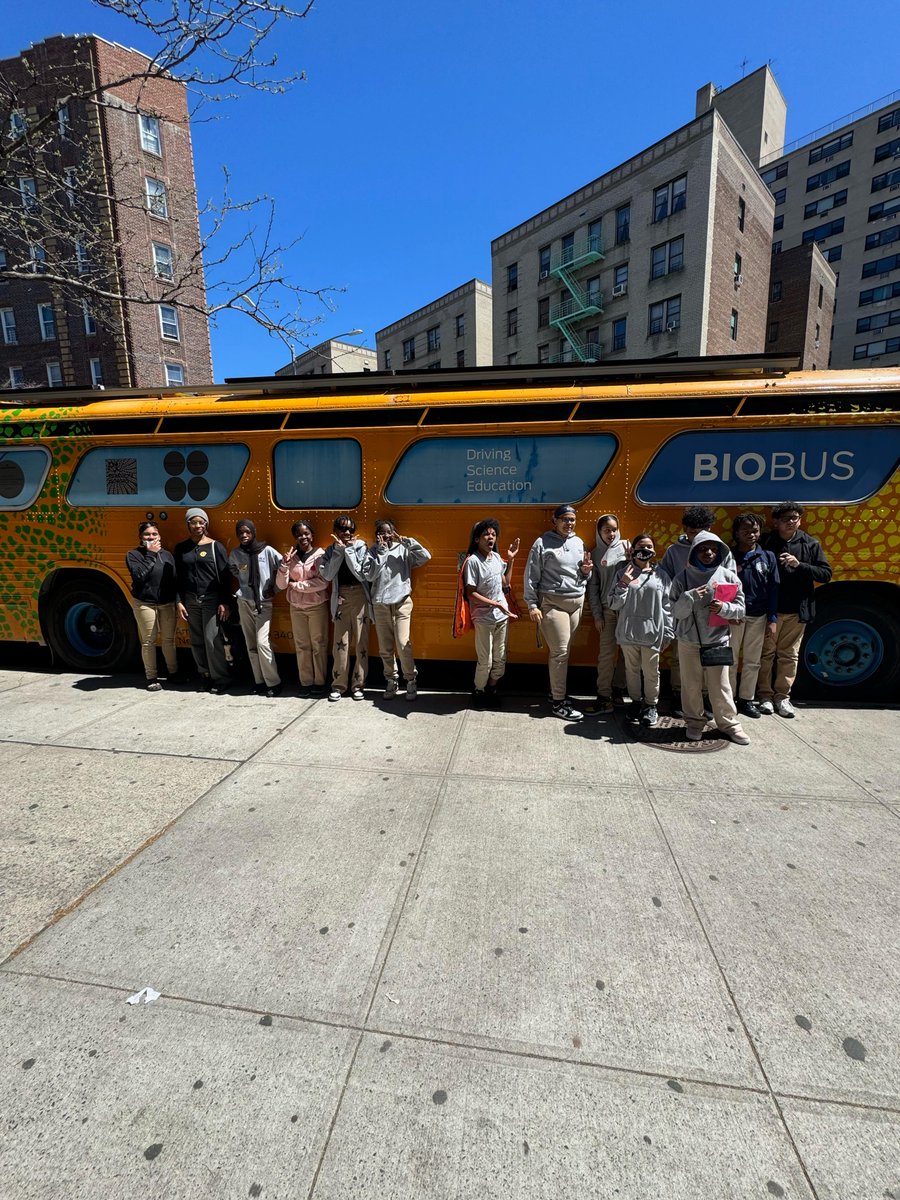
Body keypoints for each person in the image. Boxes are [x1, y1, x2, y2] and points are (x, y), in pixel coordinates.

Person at [669, 531, 750, 745]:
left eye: (713, 549)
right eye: (703, 549)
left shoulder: (728, 576)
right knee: (691, 685)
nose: (709, 553)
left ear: (719, 551)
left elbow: (741, 610)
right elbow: (675, 611)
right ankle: (694, 722)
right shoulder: (682, 578)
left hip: (717, 640)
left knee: (721, 686)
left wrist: (724, 608)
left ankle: (729, 725)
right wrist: (689, 597)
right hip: (689, 641)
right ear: (695, 551)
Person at [757, 502, 832, 718]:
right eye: (787, 518)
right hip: (771, 611)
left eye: (795, 517)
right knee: (766, 654)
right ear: (776, 522)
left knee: (789, 655)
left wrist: (799, 565)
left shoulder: (810, 544)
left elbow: (825, 574)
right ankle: (764, 696)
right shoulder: (767, 542)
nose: (792, 521)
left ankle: (782, 697)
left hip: (797, 611)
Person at [659, 506, 735, 713]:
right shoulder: (674, 551)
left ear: (709, 528)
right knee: (680, 658)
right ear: (685, 529)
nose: (697, 537)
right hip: (685, 612)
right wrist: (677, 600)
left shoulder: (720, 550)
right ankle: (678, 694)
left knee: (711, 660)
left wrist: (723, 610)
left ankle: (706, 697)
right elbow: (664, 578)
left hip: (712, 613)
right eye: (692, 532)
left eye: (701, 531)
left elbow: (730, 581)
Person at [523, 503, 593, 721]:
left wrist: (585, 573)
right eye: (564, 519)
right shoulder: (542, 543)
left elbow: (582, 576)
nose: (569, 523)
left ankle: (556, 693)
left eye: (572, 520)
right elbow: (531, 575)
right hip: (553, 603)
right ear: (555, 520)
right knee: (560, 652)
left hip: (576, 602)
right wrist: (532, 605)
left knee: (564, 652)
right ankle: (559, 702)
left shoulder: (578, 542)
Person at [362, 519, 431, 701]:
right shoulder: (373, 552)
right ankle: (391, 680)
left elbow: (425, 557)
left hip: (401, 602)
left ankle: (411, 679)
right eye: (381, 533)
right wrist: (382, 553)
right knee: (385, 648)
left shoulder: (403, 549)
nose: (385, 536)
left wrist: (408, 541)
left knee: (403, 643)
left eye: (388, 532)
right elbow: (369, 575)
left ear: (394, 532)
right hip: (381, 604)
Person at [608, 534, 672, 727]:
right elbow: (613, 603)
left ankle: (651, 705)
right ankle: (636, 702)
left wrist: (668, 632)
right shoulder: (622, 573)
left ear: (654, 551)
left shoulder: (661, 575)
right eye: (640, 547)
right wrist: (624, 583)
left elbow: (667, 606)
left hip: (652, 634)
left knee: (652, 672)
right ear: (633, 550)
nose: (644, 551)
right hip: (628, 633)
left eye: (649, 547)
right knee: (632, 671)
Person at [462, 518, 520, 706]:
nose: (491, 537)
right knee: (485, 660)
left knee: (500, 658)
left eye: (493, 534)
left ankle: (491, 690)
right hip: (483, 618)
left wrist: (510, 560)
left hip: (501, 616)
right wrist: (495, 604)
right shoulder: (472, 562)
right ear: (477, 539)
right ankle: (478, 691)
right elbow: (471, 594)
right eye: (486, 534)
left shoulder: (495, 557)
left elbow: (505, 584)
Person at [174, 507, 232, 694]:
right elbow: (177, 577)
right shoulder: (181, 548)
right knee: (196, 640)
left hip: (211, 600)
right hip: (190, 599)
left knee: (211, 639)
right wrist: (178, 601)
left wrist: (225, 602)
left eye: (201, 522)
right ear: (188, 525)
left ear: (206, 524)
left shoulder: (216, 547)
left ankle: (221, 678)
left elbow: (225, 577)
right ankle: (205, 676)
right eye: (193, 522)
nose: (197, 525)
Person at [729, 513, 779, 719]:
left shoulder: (767, 557)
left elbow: (774, 588)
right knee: (729, 660)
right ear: (737, 533)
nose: (751, 534)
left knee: (752, 660)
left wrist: (772, 618)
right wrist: (728, 611)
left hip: (758, 616)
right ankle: (728, 698)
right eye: (746, 531)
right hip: (734, 616)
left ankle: (747, 699)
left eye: (755, 530)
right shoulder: (729, 556)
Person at [228, 518, 283, 697]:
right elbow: (234, 570)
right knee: (250, 644)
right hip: (244, 602)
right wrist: (243, 588)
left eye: (247, 532)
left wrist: (273, 588)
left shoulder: (266, 551)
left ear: (253, 532)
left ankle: (273, 683)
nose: (244, 535)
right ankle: (259, 682)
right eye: (240, 532)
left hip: (263, 603)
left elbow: (283, 567)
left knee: (262, 643)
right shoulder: (236, 554)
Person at [319, 515, 371, 701]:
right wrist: (338, 552)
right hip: (340, 596)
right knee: (340, 644)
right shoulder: (330, 550)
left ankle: (358, 684)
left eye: (350, 529)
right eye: (342, 529)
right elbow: (328, 574)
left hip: (359, 596)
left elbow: (360, 574)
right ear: (335, 531)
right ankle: (339, 685)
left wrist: (348, 551)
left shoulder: (361, 547)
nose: (346, 533)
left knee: (361, 643)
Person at [276, 519, 330, 697]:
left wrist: (297, 585)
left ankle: (320, 682)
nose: (303, 537)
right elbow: (282, 585)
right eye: (299, 534)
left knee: (319, 645)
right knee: (301, 645)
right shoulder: (291, 557)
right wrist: (284, 565)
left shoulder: (321, 555)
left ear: (312, 535)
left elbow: (323, 582)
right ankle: (306, 683)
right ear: (295, 537)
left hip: (316, 606)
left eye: (306, 533)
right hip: (297, 607)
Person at [125, 521, 181, 691]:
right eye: (147, 535)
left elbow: (175, 581)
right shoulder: (133, 555)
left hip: (167, 603)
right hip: (145, 604)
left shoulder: (167, 555)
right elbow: (139, 576)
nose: (151, 537)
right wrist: (151, 554)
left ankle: (174, 673)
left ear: (159, 536)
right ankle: (151, 677)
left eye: (154, 534)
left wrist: (177, 601)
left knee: (169, 640)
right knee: (148, 641)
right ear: (140, 538)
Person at [586, 513, 630, 712]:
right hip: (607, 611)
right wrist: (597, 615)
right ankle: (604, 695)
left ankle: (619, 689)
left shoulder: (627, 548)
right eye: (606, 530)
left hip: (627, 610)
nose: (611, 533)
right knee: (606, 655)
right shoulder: (595, 554)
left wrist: (631, 559)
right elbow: (593, 588)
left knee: (626, 654)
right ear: (599, 532)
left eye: (613, 529)